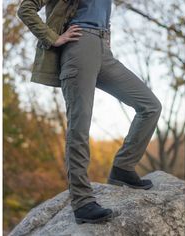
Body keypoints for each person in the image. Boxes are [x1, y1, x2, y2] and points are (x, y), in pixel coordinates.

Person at [18, 0, 162, 224]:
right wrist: (53, 37)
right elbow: (26, 8)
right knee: (80, 125)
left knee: (150, 106)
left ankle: (123, 167)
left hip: (103, 49)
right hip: (79, 44)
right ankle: (82, 201)